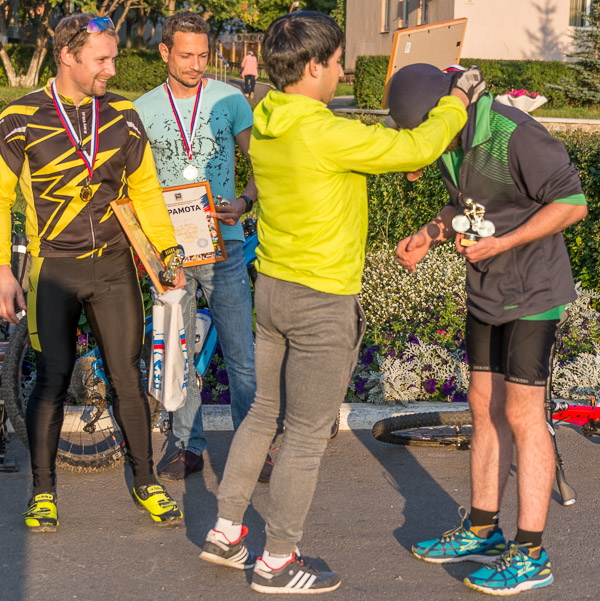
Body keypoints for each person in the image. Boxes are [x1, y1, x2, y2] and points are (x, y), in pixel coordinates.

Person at [197, 12, 473, 594]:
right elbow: (420, 142)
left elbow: (360, 148)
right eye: (340, 60)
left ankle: (226, 532)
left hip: (272, 292)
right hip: (322, 301)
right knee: (304, 434)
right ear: (316, 66)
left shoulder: (268, 119)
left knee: (261, 414)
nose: (344, 69)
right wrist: (457, 100)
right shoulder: (322, 131)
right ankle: (277, 562)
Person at [0, 13, 186, 533]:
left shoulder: (122, 115)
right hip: (54, 270)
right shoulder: (19, 118)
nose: (113, 70)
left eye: (113, 57)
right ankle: (43, 491)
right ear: (68, 56)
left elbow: (145, 191)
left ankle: (147, 483)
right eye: (103, 59)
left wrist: (168, 253)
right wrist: (1, 269)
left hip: (115, 268)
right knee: (50, 379)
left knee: (127, 380)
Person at [387, 63, 588, 596]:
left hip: (533, 292)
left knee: (523, 413)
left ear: (450, 107)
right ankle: (481, 528)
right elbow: (468, 202)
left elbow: (572, 203)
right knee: (482, 404)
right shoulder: (452, 136)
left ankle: (531, 552)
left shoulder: (515, 134)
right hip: (487, 290)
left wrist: (501, 243)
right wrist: (431, 232)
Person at [135, 11, 262, 482]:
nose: (196, 64)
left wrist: (245, 201)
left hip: (225, 247)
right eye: (185, 55)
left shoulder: (230, 100)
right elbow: (133, 184)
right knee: (178, 354)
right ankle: (186, 444)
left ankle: (253, 448)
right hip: (171, 256)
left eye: (203, 55)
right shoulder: (142, 108)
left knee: (241, 356)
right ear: (165, 52)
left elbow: (263, 167)